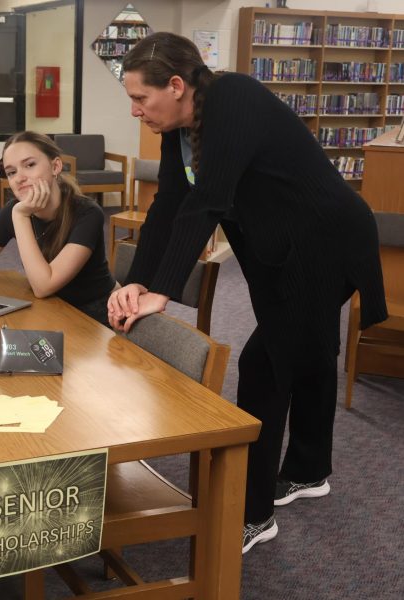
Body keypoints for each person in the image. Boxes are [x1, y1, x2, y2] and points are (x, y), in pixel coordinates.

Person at [107, 32, 388, 553]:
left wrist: (162, 292)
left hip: (325, 240)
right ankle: (308, 469)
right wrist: (135, 282)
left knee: (265, 363)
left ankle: (252, 513)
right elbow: (170, 204)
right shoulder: (178, 125)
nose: (134, 111)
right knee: (308, 348)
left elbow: (207, 201)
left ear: (176, 84)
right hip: (275, 244)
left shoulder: (233, 97)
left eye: (140, 98)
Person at [0, 131, 116, 327]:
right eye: (11, 172)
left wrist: (21, 217)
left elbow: (44, 286)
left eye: (29, 165)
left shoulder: (87, 213)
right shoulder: (14, 210)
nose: (19, 178)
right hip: (48, 309)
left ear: (55, 166)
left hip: (90, 318)